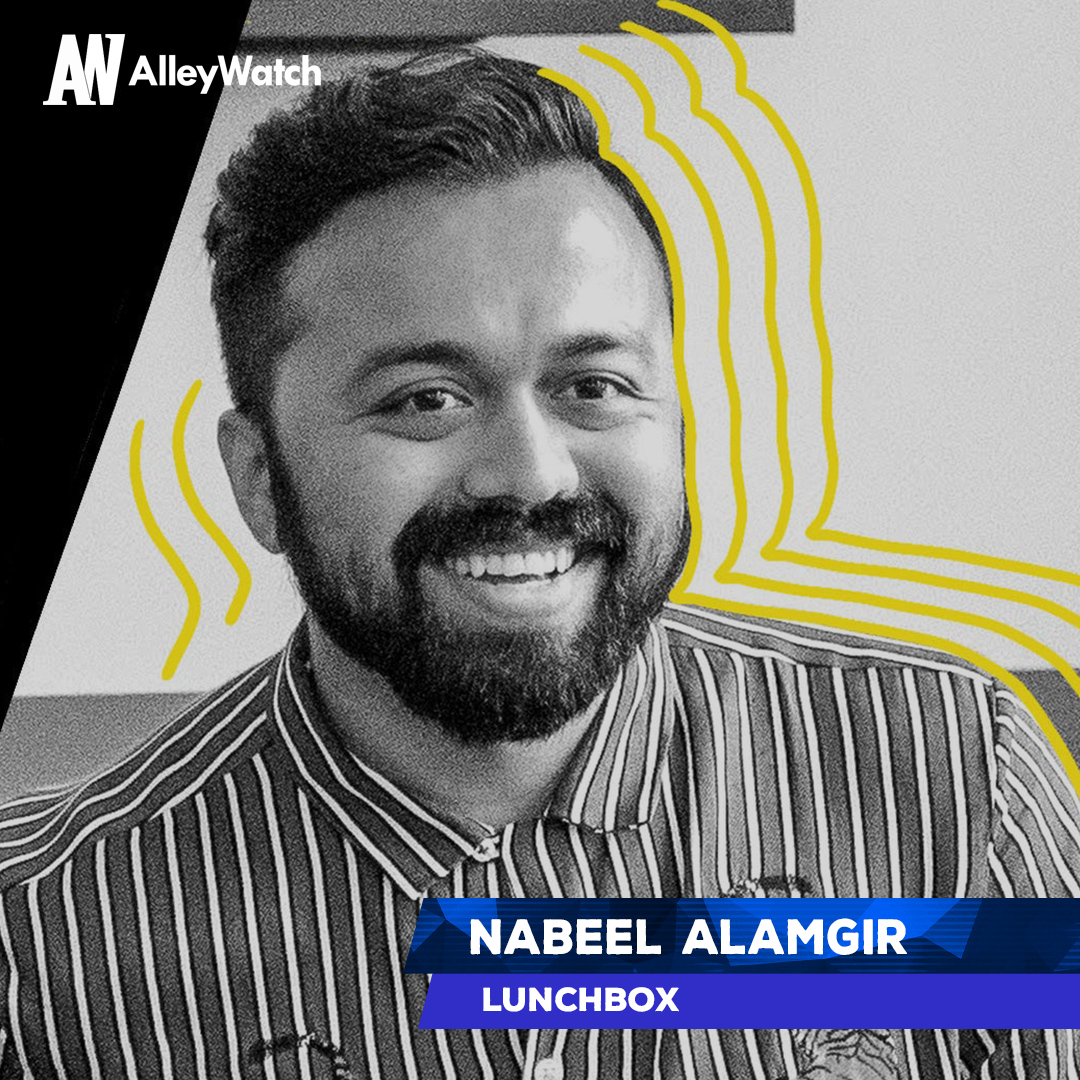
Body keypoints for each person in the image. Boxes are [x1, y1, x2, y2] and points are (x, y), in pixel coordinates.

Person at [1, 49, 1077, 1080]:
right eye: (425, 400)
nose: (530, 474)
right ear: (258, 480)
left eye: (593, 386)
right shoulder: (42, 938)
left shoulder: (953, 782)